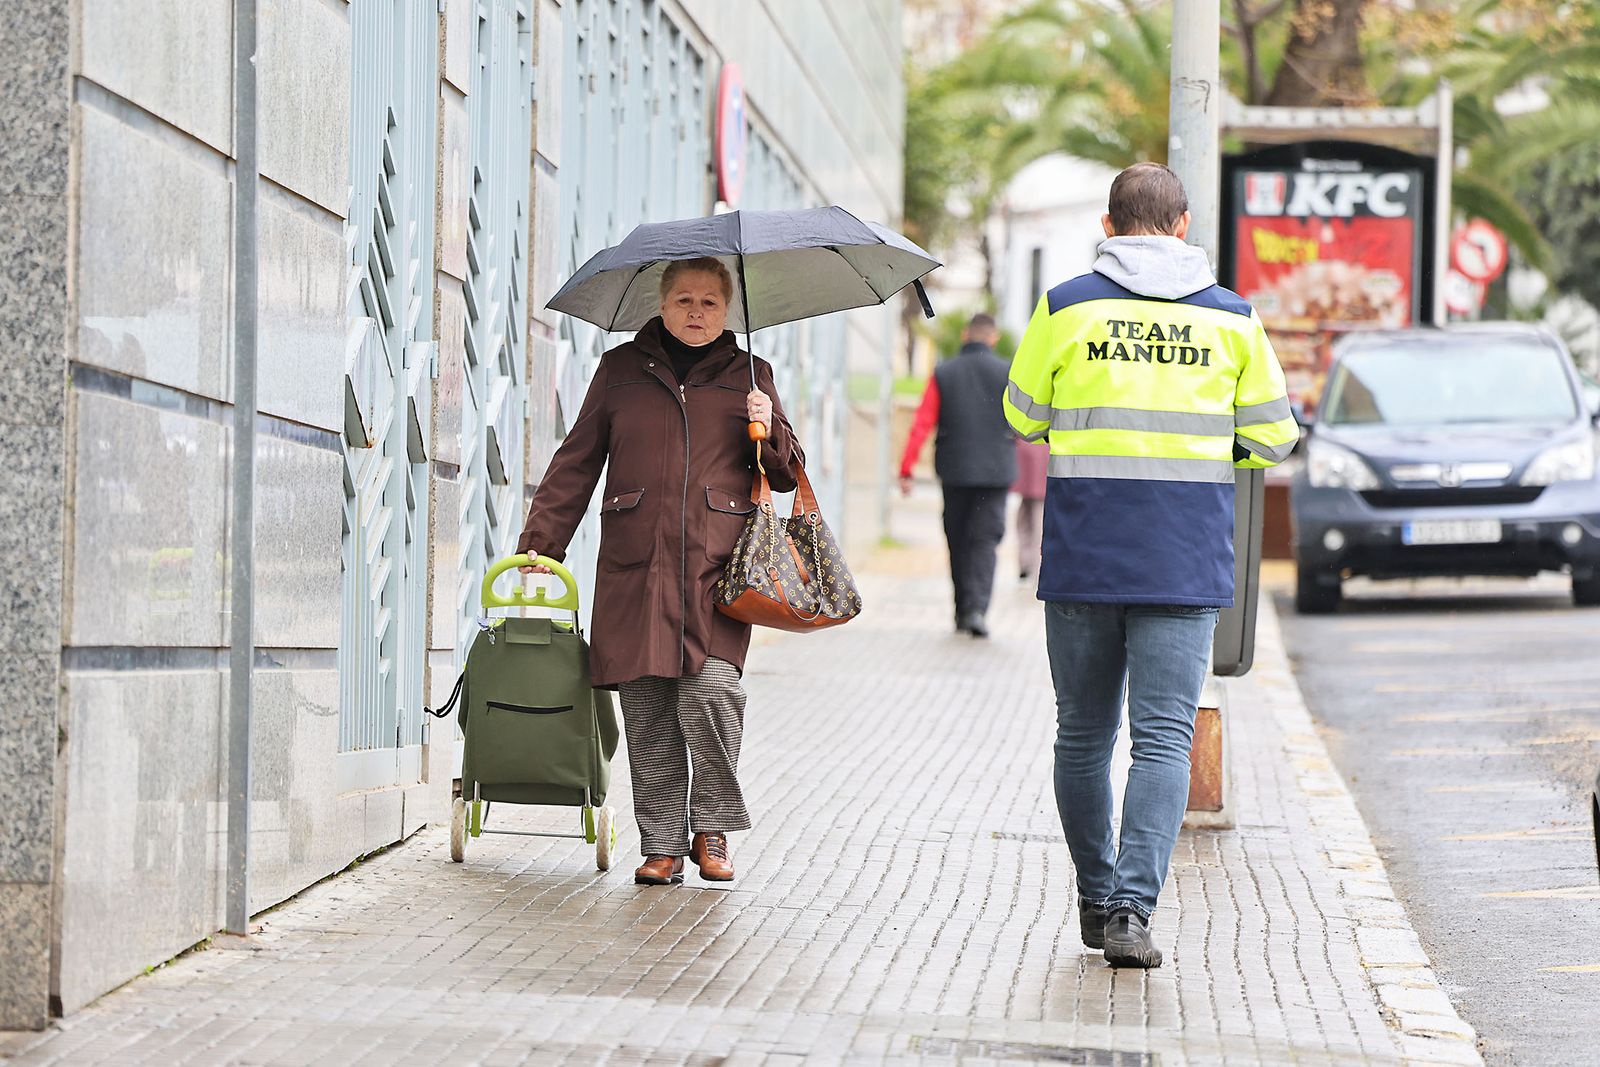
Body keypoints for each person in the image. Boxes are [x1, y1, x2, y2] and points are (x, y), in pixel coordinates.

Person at [1004, 163, 1299, 967]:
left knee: (1082, 735)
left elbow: (1023, 414)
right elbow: (1276, 435)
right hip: (1183, 556)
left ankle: (1096, 896)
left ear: (1107, 227)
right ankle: (1135, 909)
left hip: (1085, 555)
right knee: (1163, 740)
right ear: (1183, 224)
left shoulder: (1067, 306)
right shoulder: (1234, 319)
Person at [516, 257, 804, 887]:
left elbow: (784, 473)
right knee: (647, 707)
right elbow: (578, 458)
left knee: (713, 693)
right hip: (636, 564)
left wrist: (768, 423)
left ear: (727, 310)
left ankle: (712, 826)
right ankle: (663, 844)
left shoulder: (753, 374)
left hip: (718, 567)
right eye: (683, 300)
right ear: (661, 304)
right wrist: (543, 543)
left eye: (709, 302)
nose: (696, 313)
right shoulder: (621, 370)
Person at [898, 313, 1018, 637]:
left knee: (958, 538)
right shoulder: (1008, 372)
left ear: (966, 335)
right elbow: (1025, 421)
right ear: (992, 338)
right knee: (986, 540)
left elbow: (922, 421)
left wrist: (906, 467)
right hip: (996, 470)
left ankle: (962, 609)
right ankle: (977, 609)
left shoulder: (944, 372)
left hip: (956, 470)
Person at [1012, 438, 1048, 582]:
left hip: (1026, 446)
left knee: (1027, 511)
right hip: (1044, 449)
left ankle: (1027, 564)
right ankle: (1034, 565)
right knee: (1037, 513)